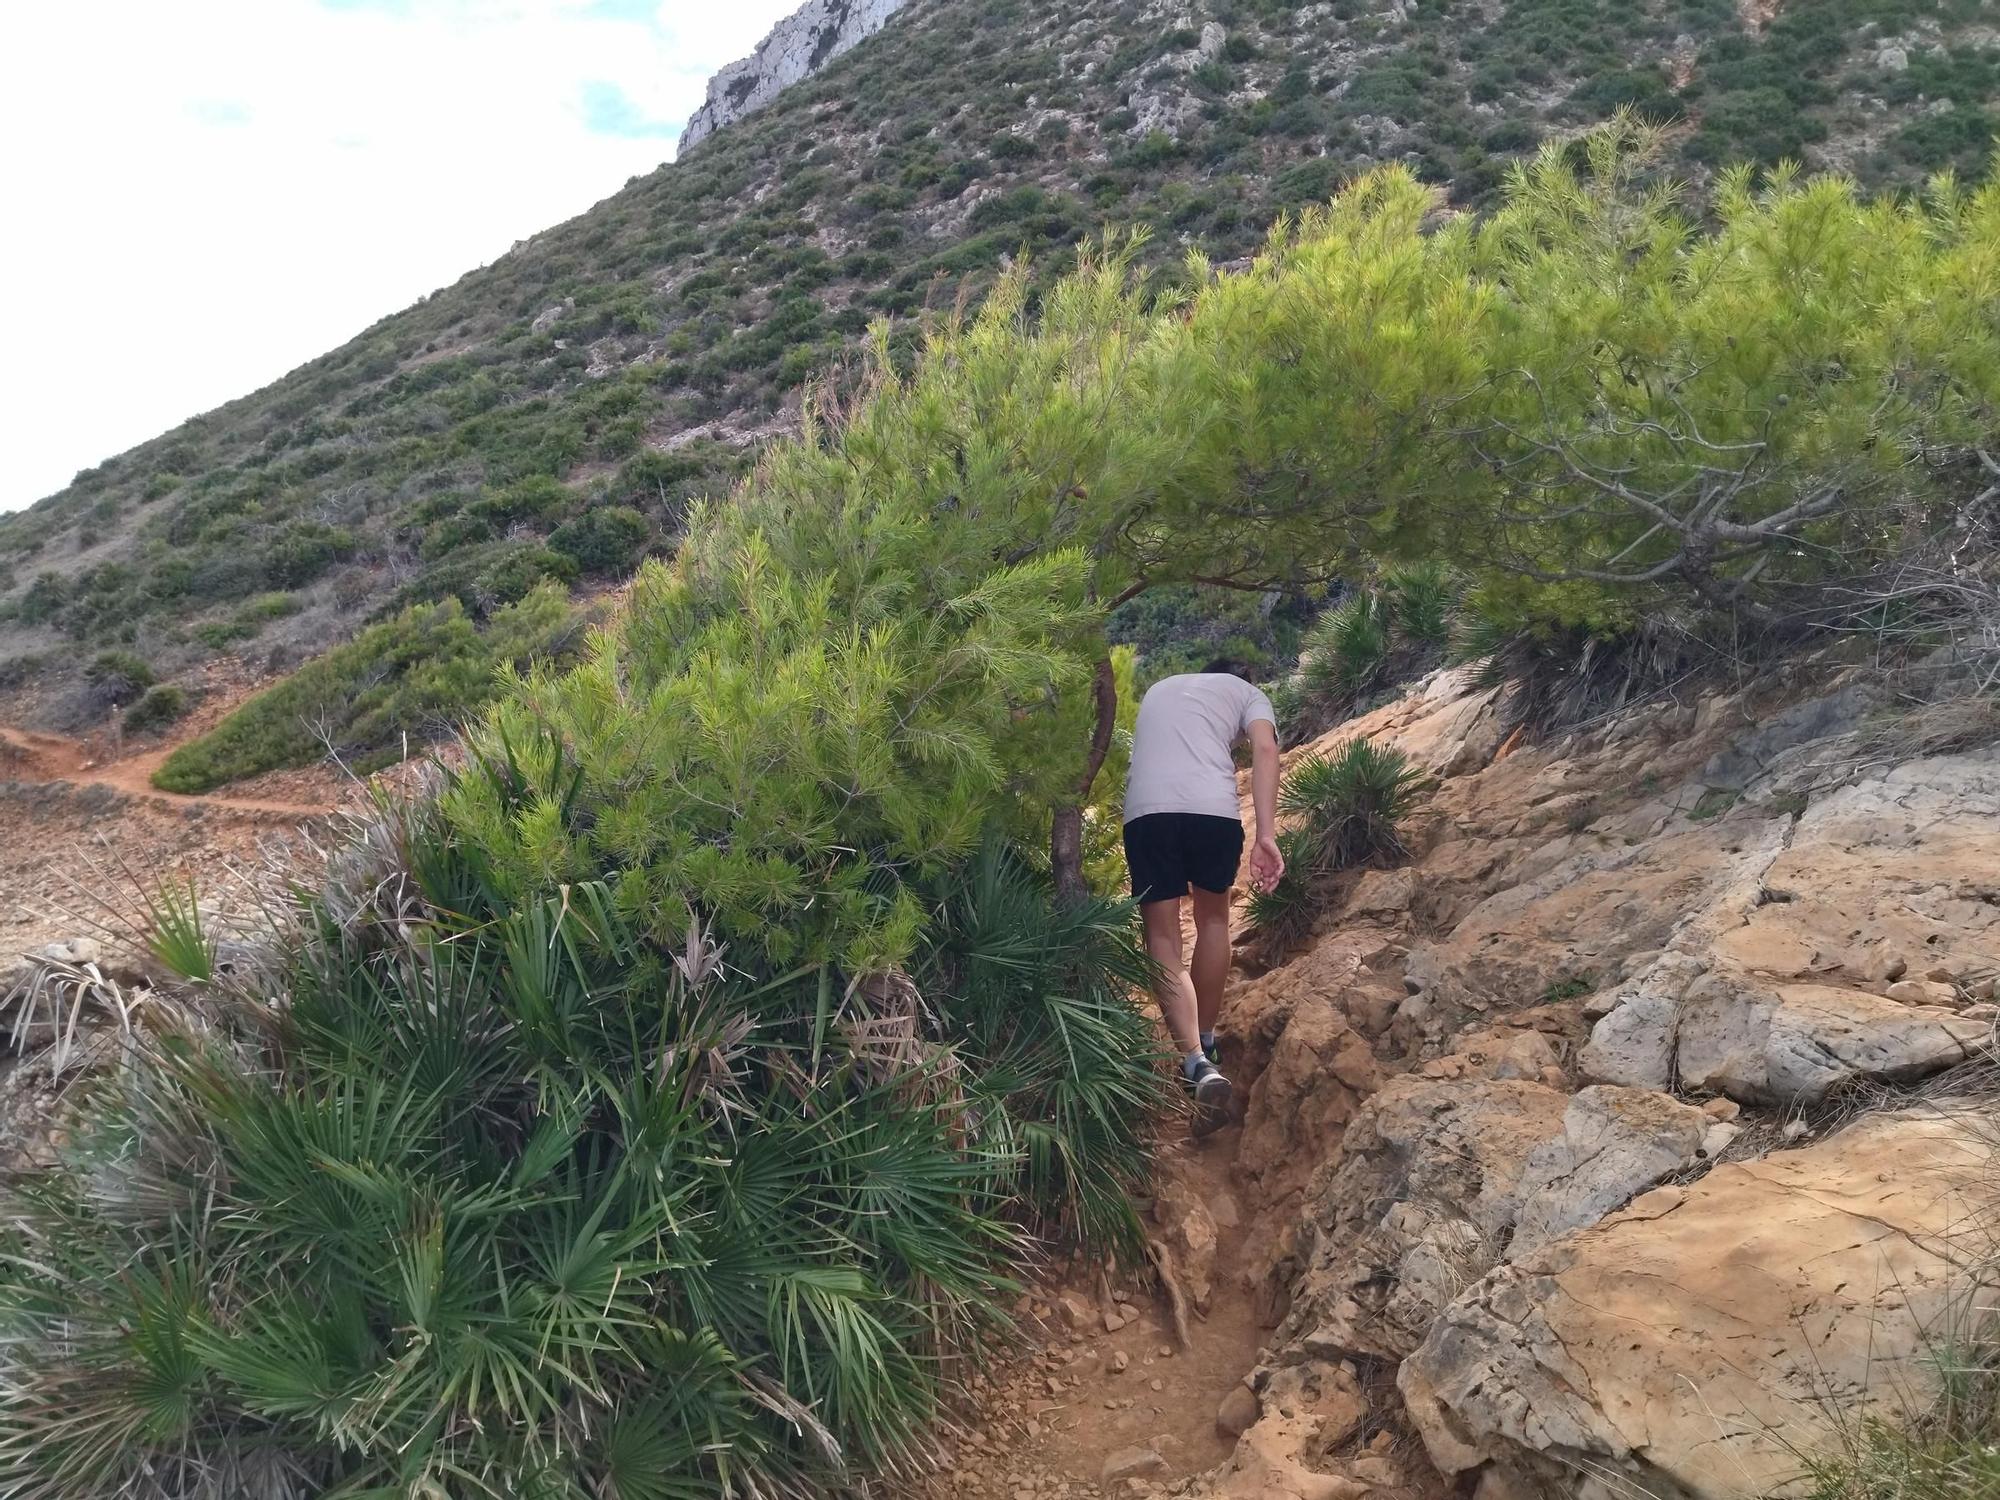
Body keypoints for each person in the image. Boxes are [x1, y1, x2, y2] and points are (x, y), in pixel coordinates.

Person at [1122, 657, 1283, 1133]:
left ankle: (1195, 1061)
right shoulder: (1248, 693)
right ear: (1242, 677)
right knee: (1214, 920)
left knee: (1163, 939)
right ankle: (1206, 1046)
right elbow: (1266, 749)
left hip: (1147, 811)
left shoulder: (1161, 687)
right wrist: (1266, 836)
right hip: (1212, 811)